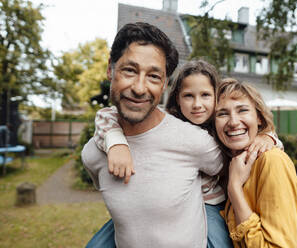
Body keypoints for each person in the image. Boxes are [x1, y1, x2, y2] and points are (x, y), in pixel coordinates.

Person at [88, 59, 283, 247]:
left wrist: (268, 138)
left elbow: (258, 133)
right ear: (177, 99)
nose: (197, 104)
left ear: (216, 97)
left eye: (205, 95)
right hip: (161, 207)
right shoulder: (166, 122)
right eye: (189, 96)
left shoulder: (224, 125)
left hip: (209, 205)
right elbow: (106, 114)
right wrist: (115, 141)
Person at [82, 22, 223, 248]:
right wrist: (114, 139)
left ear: (165, 84)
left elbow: (241, 160)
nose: (139, 88)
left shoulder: (195, 141)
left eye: (154, 76)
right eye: (130, 70)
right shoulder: (93, 154)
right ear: (110, 69)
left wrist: (267, 137)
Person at [214, 78, 297, 248]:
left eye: (242, 110)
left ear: (259, 117)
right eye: (222, 113)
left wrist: (234, 189)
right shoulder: (233, 164)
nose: (233, 122)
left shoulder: (272, 161)